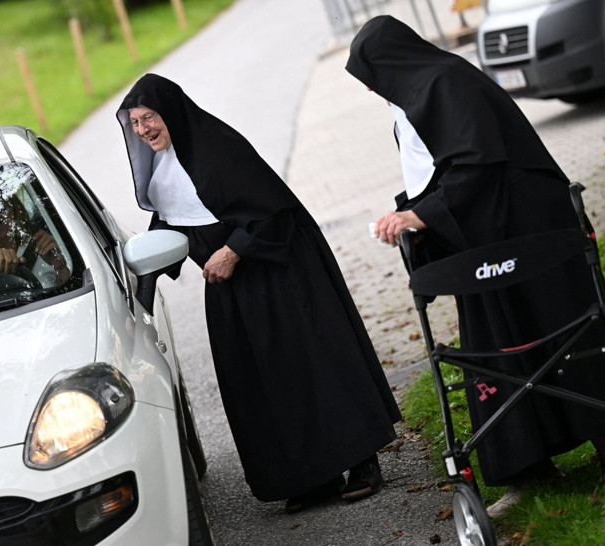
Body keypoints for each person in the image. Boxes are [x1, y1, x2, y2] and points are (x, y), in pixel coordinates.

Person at [345, 15, 605, 517]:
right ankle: (529, 469)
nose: (375, 90)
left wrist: (418, 213)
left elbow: (479, 163)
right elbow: (438, 174)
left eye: (373, 78)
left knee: (564, 330)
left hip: (528, 228)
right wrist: (410, 217)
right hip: (480, 236)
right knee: (493, 350)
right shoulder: (413, 103)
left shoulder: (446, 83)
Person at [116, 73, 402, 512]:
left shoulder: (218, 150)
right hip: (231, 290)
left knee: (315, 365)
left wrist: (233, 250)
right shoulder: (164, 171)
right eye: (134, 123)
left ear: (170, 112)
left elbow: (274, 214)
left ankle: (363, 461)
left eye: (149, 117)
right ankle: (311, 477)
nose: (142, 130)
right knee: (266, 384)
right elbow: (169, 229)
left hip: (281, 275)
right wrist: (133, 276)